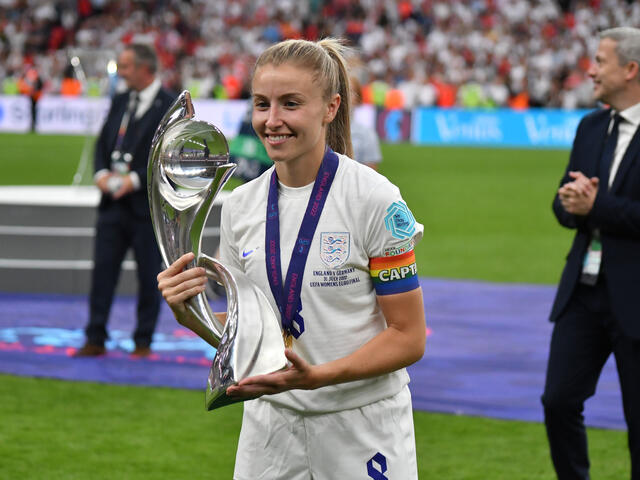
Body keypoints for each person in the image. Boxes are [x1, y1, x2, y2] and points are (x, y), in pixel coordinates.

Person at [158, 38, 426, 479]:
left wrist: (318, 376)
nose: (272, 120)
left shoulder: (375, 200)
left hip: (361, 428)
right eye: (262, 104)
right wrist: (194, 316)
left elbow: (408, 336)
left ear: (330, 107)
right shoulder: (241, 207)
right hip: (270, 430)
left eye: (291, 103)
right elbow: (253, 335)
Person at [541, 27, 640, 480]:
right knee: (558, 401)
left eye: (600, 61)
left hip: (635, 297)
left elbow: (606, 208)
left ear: (631, 69)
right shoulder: (591, 125)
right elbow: (565, 206)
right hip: (583, 289)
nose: (591, 70)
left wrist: (597, 205)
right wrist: (571, 202)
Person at [74, 43, 175, 358]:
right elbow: (104, 142)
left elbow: (170, 157)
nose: (122, 72)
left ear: (145, 69)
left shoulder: (170, 105)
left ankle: (143, 342)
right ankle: (95, 337)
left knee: (149, 277)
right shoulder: (120, 100)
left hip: (146, 210)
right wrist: (101, 172)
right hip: (112, 207)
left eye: (126, 66)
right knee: (102, 273)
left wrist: (132, 180)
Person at [350, 74, 383, 170]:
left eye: (351, 92)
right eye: (341, 90)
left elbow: (371, 175)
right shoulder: (321, 129)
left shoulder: (366, 134)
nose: (346, 96)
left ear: (358, 99)